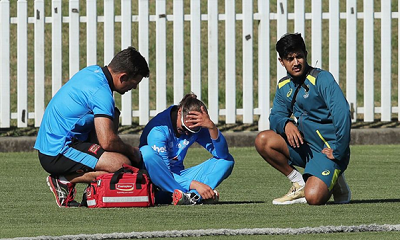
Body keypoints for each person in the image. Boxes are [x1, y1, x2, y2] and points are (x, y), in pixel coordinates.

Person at [34, 47, 150, 207]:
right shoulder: (101, 93)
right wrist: (132, 151)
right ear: (123, 77)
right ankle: (63, 180)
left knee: (113, 115)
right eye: (134, 82)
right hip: (56, 151)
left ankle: (86, 182)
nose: (135, 88)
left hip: (53, 142)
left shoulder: (93, 71)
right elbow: (108, 141)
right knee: (123, 165)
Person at [254, 33, 351, 205]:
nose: (296, 62)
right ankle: (298, 182)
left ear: (305, 55)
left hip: (328, 149)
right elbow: (275, 116)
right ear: (281, 61)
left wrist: (338, 150)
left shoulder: (322, 79)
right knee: (263, 140)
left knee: (313, 197)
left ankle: (335, 175)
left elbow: (342, 114)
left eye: (299, 56)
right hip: (305, 147)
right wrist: (286, 124)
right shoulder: (284, 86)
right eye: (289, 58)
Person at [139, 93, 235, 205]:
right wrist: (194, 184)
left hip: (180, 177)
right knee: (147, 153)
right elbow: (164, 173)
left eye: (193, 131)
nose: (187, 133)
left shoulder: (195, 126)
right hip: (157, 181)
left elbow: (222, 155)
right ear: (179, 112)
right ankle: (194, 195)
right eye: (184, 129)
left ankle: (191, 196)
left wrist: (211, 127)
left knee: (227, 161)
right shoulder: (158, 130)